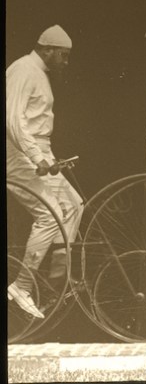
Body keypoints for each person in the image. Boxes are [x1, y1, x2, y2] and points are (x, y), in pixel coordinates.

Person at [6, 25, 84, 318]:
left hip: (37, 153)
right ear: (47, 50)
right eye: (63, 56)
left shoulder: (39, 74)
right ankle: (21, 287)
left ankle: (57, 276)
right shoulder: (22, 70)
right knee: (49, 212)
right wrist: (37, 156)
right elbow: (13, 119)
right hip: (17, 154)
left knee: (74, 205)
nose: (66, 62)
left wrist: (43, 156)